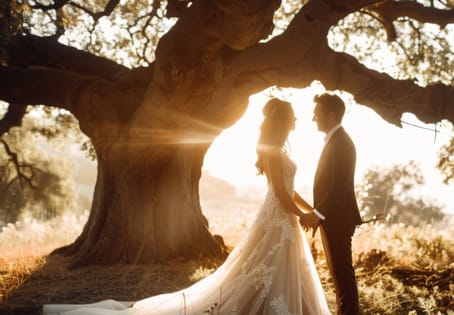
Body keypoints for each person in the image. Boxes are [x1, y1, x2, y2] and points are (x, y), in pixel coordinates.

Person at [43, 98, 331, 315]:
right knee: (263, 267)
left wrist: (311, 209)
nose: (297, 122)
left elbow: (290, 191)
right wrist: (302, 214)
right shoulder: (270, 152)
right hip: (277, 219)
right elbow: (280, 193)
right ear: (283, 121)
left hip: (285, 218)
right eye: (294, 118)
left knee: (278, 267)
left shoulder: (279, 151)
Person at [300, 93, 362, 315]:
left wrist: (316, 213)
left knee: (342, 273)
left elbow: (339, 186)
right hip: (333, 218)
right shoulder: (336, 141)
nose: (313, 118)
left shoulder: (342, 143)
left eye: (317, 114)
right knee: (339, 274)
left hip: (338, 218)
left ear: (331, 115)